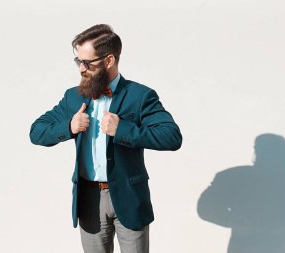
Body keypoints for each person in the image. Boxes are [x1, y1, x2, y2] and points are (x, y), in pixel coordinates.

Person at [29, 24, 182, 253]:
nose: (81, 69)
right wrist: (69, 127)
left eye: (87, 63)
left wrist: (124, 130)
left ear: (109, 61)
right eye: (78, 61)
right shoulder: (73, 97)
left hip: (129, 199)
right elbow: (36, 131)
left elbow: (171, 136)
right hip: (89, 199)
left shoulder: (140, 96)